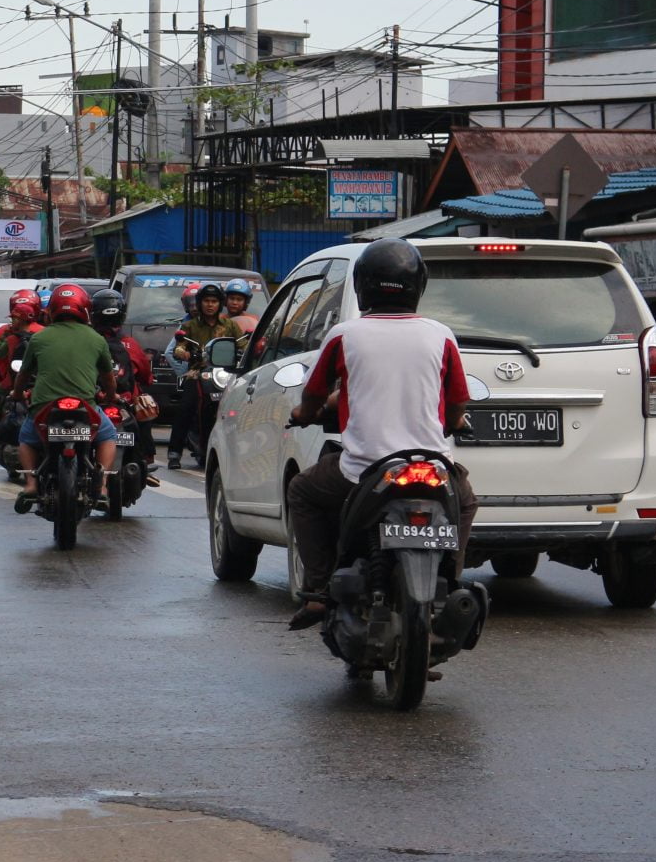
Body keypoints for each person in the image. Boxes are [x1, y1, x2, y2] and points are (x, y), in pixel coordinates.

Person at [284, 239, 477, 630]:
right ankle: (451, 578)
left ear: (361, 284)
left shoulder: (345, 334)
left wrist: (304, 414)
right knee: (467, 503)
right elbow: (457, 401)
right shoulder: (441, 335)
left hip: (362, 470)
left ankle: (319, 591)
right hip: (433, 467)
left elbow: (315, 394)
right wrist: (455, 422)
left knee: (302, 491)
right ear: (418, 285)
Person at [12, 283, 118, 513]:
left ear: (52, 310)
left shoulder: (39, 338)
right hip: (85, 406)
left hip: (45, 408)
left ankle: (31, 484)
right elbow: (109, 378)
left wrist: (17, 394)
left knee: (26, 439)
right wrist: (110, 397)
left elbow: (24, 375)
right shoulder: (96, 339)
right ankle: (102, 487)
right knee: (109, 435)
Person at [168, 282, 241, 470]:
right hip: (197, 374)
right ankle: (174, 453)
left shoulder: (230, 325)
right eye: (206, 301)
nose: (210, 305)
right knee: (185, 408)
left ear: (220, 304)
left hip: (225, 375)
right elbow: (179, 346)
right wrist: (182, 352)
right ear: (200, 303)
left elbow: (243, 344)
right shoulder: (189, 325)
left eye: (214, 301)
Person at [90, 288, 158, 475]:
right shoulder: (130, 344)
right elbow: (145, 376)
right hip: (122, 402)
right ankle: (145, 460)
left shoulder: (87, 340)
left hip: (93, 399)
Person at [0, 288, 42, 442]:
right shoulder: (45, 333)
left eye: (14, 319)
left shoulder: (8, 335)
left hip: (12, 383)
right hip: (39, 383)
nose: (12, 321)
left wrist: (4, 337)